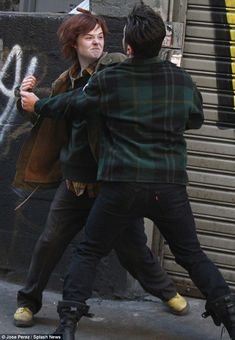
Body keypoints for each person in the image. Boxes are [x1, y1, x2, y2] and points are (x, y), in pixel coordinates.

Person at [21, 2, 235, 339]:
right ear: (163, 41)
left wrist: (38, 105)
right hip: (168, 186)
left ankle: (67, 325)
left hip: (121, 185)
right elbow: (195, 118)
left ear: (128, 47)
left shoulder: (112, 80)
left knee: (89, 250)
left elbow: (73, 105)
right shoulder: (181, 79)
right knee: (191, 254)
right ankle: (229, 313)